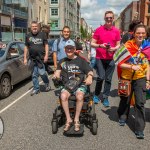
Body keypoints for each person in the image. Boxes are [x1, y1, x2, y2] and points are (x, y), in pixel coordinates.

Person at [117, 24, 150, 139]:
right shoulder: (127, 46)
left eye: (142, 33)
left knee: (140, 102)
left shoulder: (147, 47)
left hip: (141, 77)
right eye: (138, 33)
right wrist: (131, 67)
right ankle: (123, 115)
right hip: (127, 77)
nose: (140, 35)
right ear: (134, 34)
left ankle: (139, 128)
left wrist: (148, 80)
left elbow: (148, 65)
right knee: (125, 98)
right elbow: (119, 62)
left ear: (145, 34)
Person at [53, 39, 93, 132]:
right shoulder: (62, 61)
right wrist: (56, 76)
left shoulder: (81, 61)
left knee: (79, 96)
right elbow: (58, 72)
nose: (69, 50)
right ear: (65, 49)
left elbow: (89, 71)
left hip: (79, 85)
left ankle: (76, 119)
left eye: (71, 48)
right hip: (67, 86)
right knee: (63, 96)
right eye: (67, 48)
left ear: (75, 49)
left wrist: (90, 77)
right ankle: (68, 119)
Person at [91, 10, 121, 106]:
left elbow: (118, 45)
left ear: (113, 19)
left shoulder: (116, 31)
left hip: (111, 58)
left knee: (108, 79)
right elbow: (92, 43)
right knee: (100, 77)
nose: (109, 19)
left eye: (111, 18)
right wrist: (100, 46)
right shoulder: (99, 30)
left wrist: (113, 49)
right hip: (100, 57)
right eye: (107, 17)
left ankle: (105, 98)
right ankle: (96, 94)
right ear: (104, 18)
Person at [24, 21, 50, 96]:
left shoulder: (42, 35)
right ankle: (36, 88)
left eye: (36, 26)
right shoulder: (28, 36)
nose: (34, 28)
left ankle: (47, 83)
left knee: (42, 73)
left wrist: (46, 55)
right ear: (30, 27)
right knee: (34, 75)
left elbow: (46, 45)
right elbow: (26, 47)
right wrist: (25, 58)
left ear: (38, 27)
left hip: (41, 58)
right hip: (32, 59)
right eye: (33, 26)